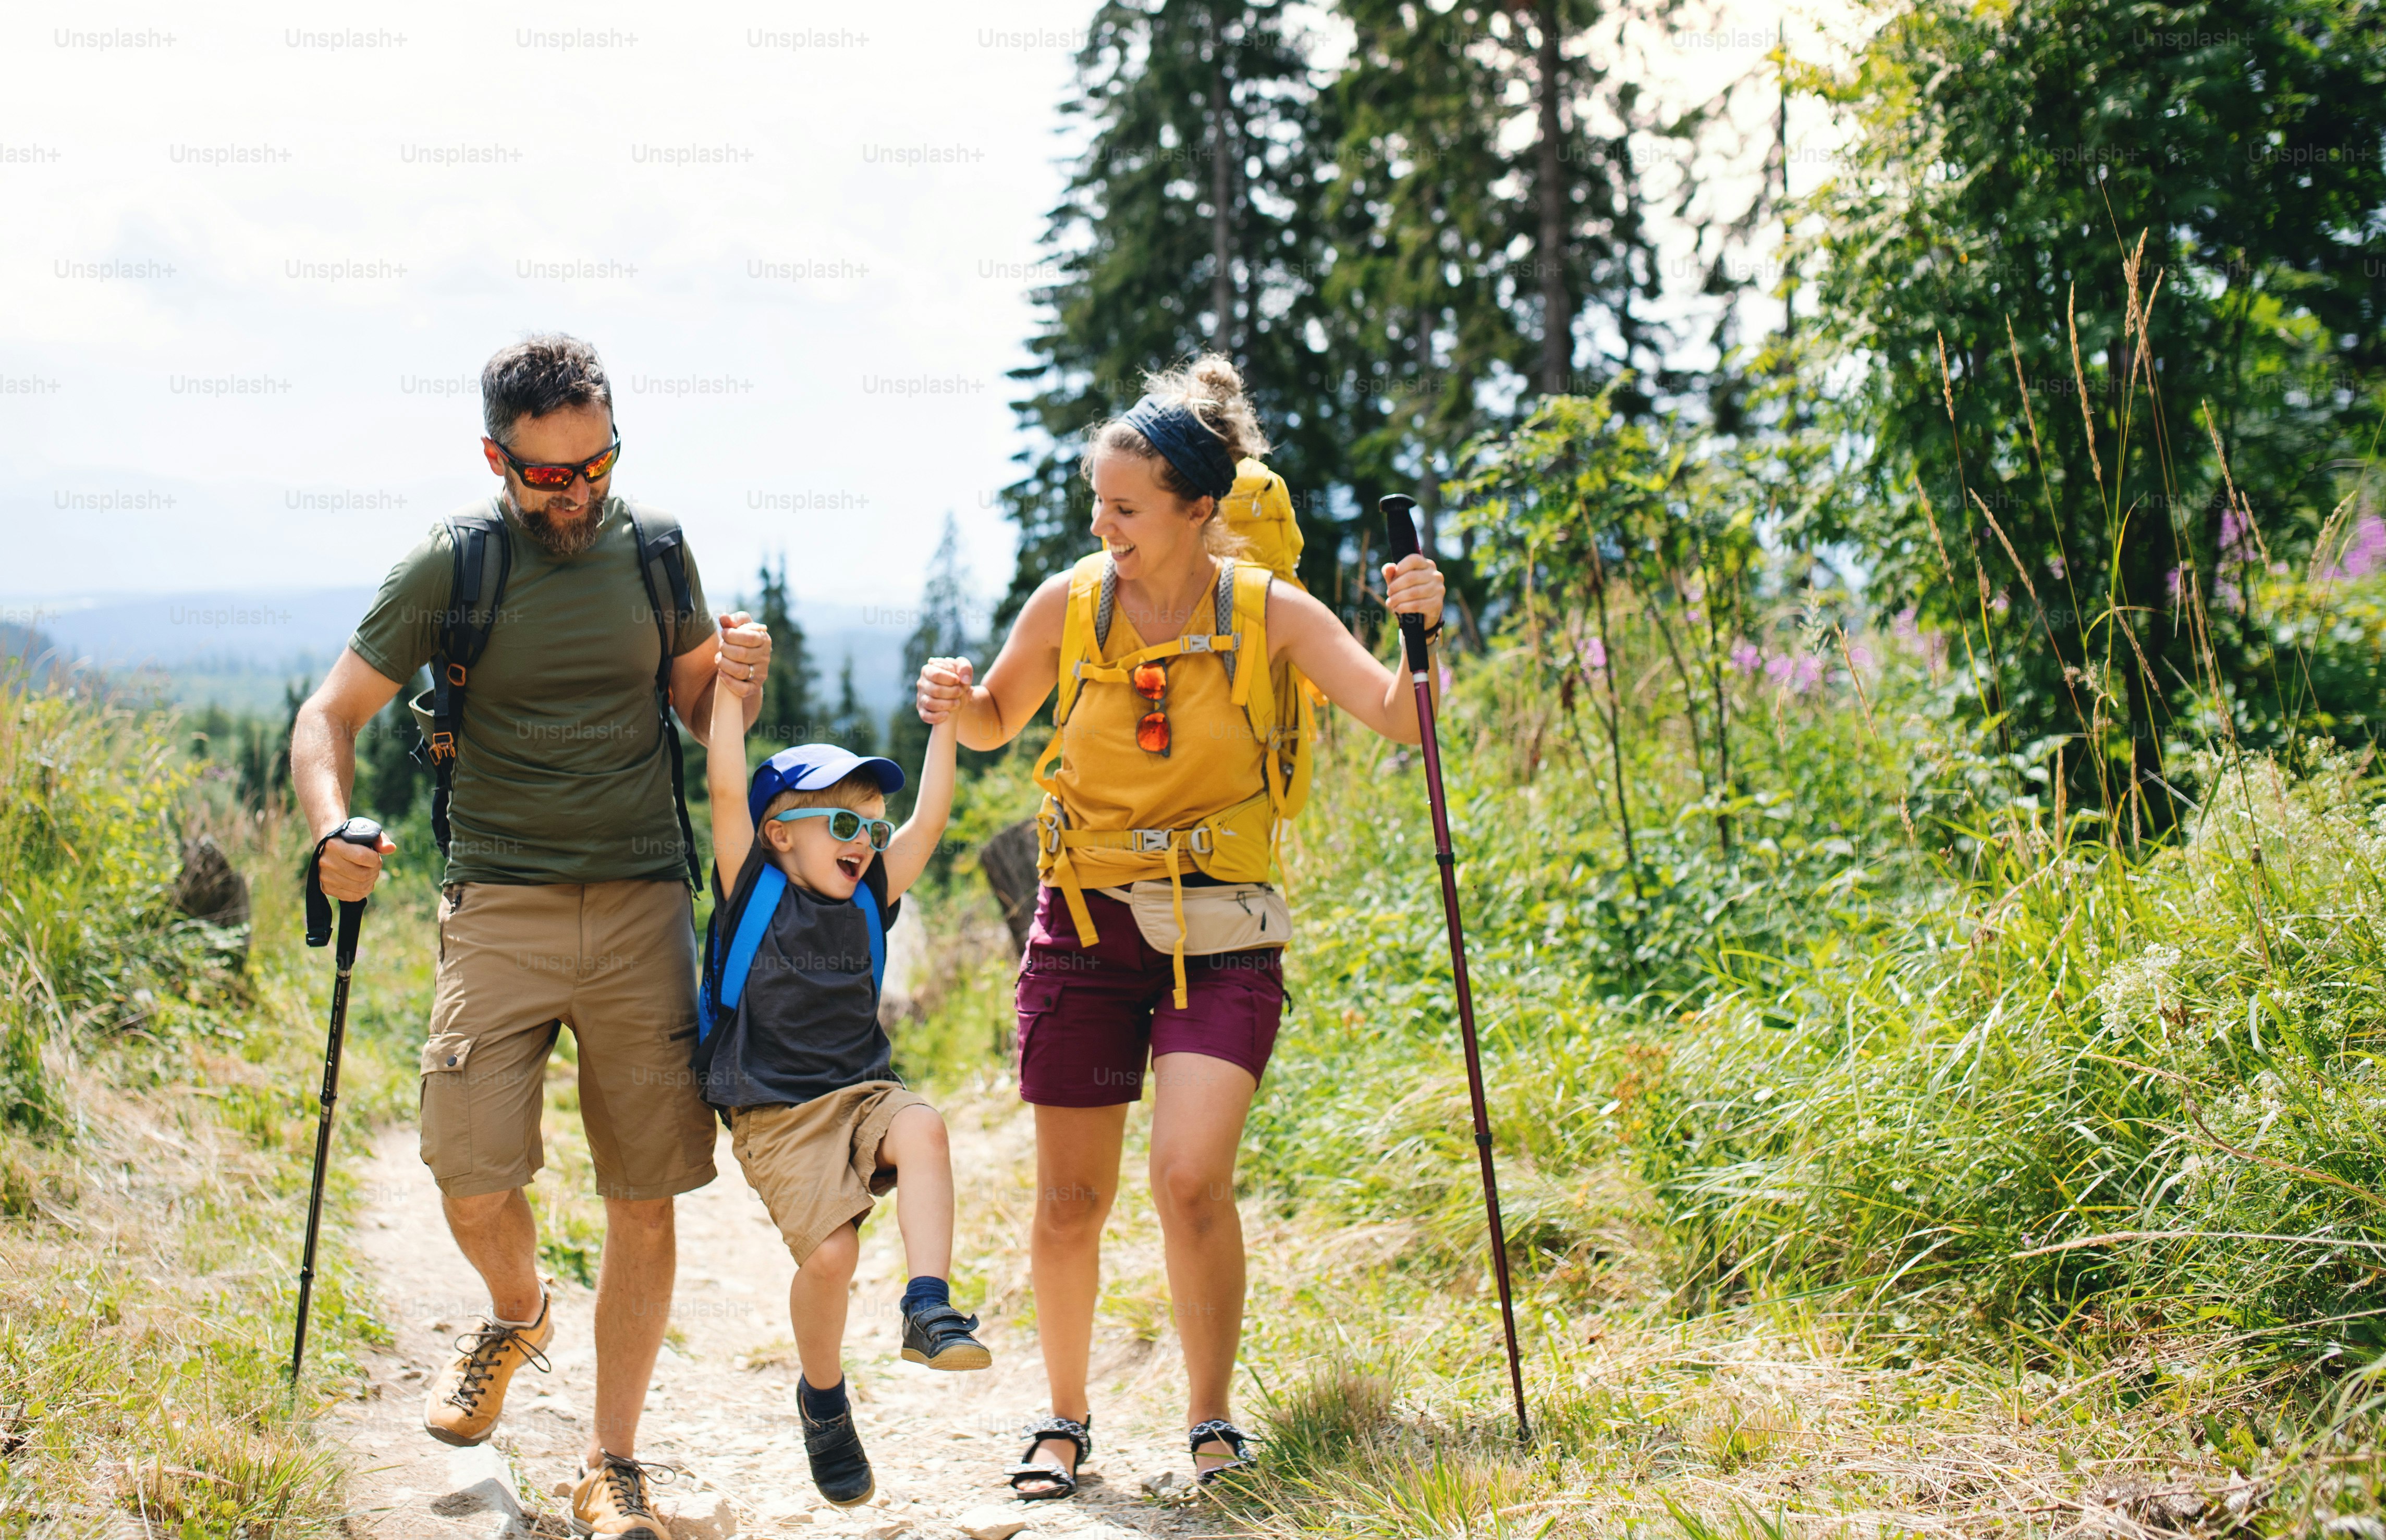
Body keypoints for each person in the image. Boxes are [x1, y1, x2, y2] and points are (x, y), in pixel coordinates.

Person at [914, 355, 1446, 1496]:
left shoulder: (1271, 611)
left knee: (1191, 1178)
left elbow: (1401, 716)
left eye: (1125, 508)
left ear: (1198, 508)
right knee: (1071, 1200)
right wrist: (959, 702)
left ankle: (1212, 1420)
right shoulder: (1070, 603)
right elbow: (1003, 717)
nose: (1101, 526)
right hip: (1085, 922)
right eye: (1097, 503)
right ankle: (1063, 1418)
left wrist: (1422, 630)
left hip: (1222, 929)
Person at [291, 334, 770, 1540]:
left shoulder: (654, 547)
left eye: (598, 464)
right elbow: (328, 713)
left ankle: (614, 1461)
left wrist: (737, 685)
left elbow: (696, 705)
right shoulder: (451, 564)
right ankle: (520, 1308)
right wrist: (333, 826)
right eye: (550, 475)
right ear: (494, 456)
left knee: (644, 1192)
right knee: (467, 1168)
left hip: (644, 898)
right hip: (497, 897)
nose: (578, 492)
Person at [694, 636, 990, 1508]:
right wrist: (728, 687)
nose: (865, 840)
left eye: (872, 827)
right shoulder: (754, 889)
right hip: (774, 1111)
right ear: (779, 834)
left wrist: (946, 724)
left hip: (861, 1092)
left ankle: (928, 1306)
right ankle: (823, 1401)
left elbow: (928, 823)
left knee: (923, 1125)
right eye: (843, 823)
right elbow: (723, 789)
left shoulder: (868, 897)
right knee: (830, 1257)